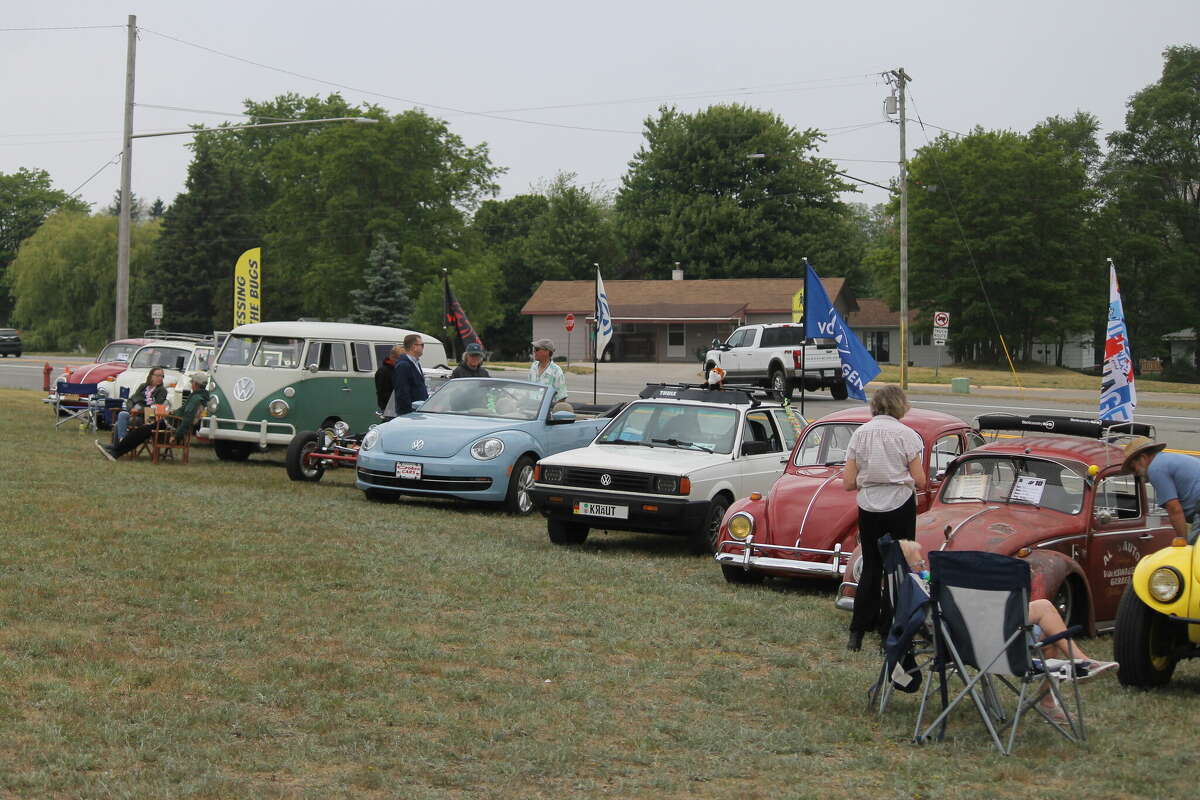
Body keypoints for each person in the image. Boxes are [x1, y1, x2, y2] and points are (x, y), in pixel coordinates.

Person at [842, 385, 925, 651]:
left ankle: (857, 631)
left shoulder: (860, 434)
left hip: (869, 506)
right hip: (900, 504)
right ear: (900, 405)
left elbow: (847, 482)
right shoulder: (908, 435)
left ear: (875, 405)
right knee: (897, 568)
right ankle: (889, 630)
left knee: (871, 566)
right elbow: (920, 479)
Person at [95, 371, 211, 460]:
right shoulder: (199, 397)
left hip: (170, 426)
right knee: (140, 432)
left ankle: (115, 452)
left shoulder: (196, 398)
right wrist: (173, 412)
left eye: (192, 382)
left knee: (139, 432)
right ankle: (115, 449)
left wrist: (176, 436)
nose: (191, 384)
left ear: (196, 384)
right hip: (169, 422)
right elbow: (185, 414)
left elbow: (187, 420)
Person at [1123, 436, 1200, 544]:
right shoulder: (1165, 460)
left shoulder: (1156, 468)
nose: (1134, 473)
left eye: (1133, 467)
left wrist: (1183, 542)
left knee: (1193, 555)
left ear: (1143, 458)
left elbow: (1174, 509)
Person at [113, 366, 168, 444]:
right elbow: (131, 400)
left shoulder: (162, 390)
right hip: (133, 413)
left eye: (162, 376)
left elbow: (155, 407)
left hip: (145, 418)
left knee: (118, 425)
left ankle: (119, 446)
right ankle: (122, 441)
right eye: (158, 376)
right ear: (151, 376)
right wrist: (131, 408)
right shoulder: (143, 386)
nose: (160, 378)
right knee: (122, 414)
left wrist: (138, 410)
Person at [390, 334, 427, 416]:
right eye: (422, 345)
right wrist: (408, 412)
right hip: (409, 413)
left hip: (418, 411)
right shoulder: (403, 365)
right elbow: (402, 391)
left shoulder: (416, 363)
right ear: (414, 347)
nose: (423, 348)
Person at [528, 338, 567, 405]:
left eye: (537, 349)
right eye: (534, 349)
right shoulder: (533, 366)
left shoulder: (556, 371)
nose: (534, 352)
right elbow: (528, 389)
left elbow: (561, 397)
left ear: (547, 352)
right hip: (531, 409)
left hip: (547, 411)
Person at [375, 344, 404, 414]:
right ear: (394, 358)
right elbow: (383, 393)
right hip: (390, 409)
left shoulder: (398, 369)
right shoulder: (383, 371)